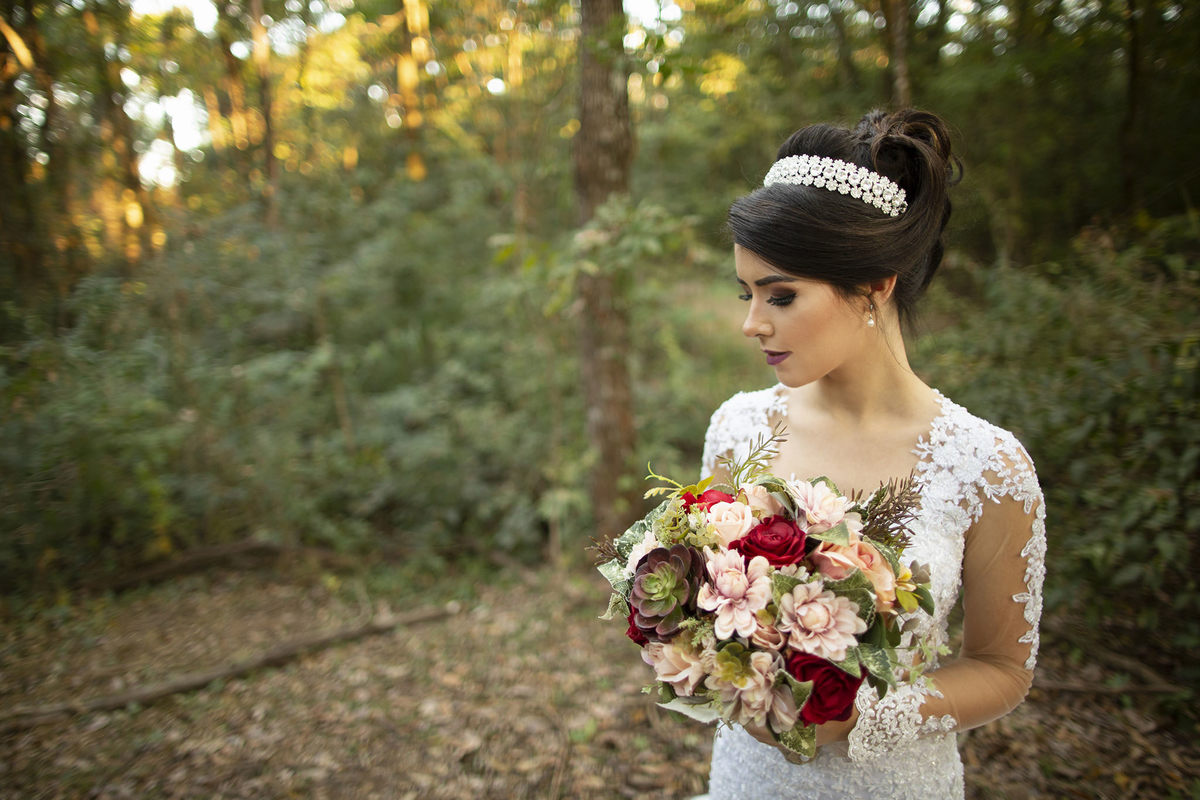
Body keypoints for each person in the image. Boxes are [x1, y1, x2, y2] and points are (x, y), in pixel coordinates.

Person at [695, 109, 1046, 799]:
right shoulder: (737, 431)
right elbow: (709, 609)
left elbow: (1003, 670)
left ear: (877, 283)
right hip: (748, 777)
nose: (751, 322)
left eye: (781, 295)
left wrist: (862, 715)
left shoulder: (988, 469)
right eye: (748, 293)